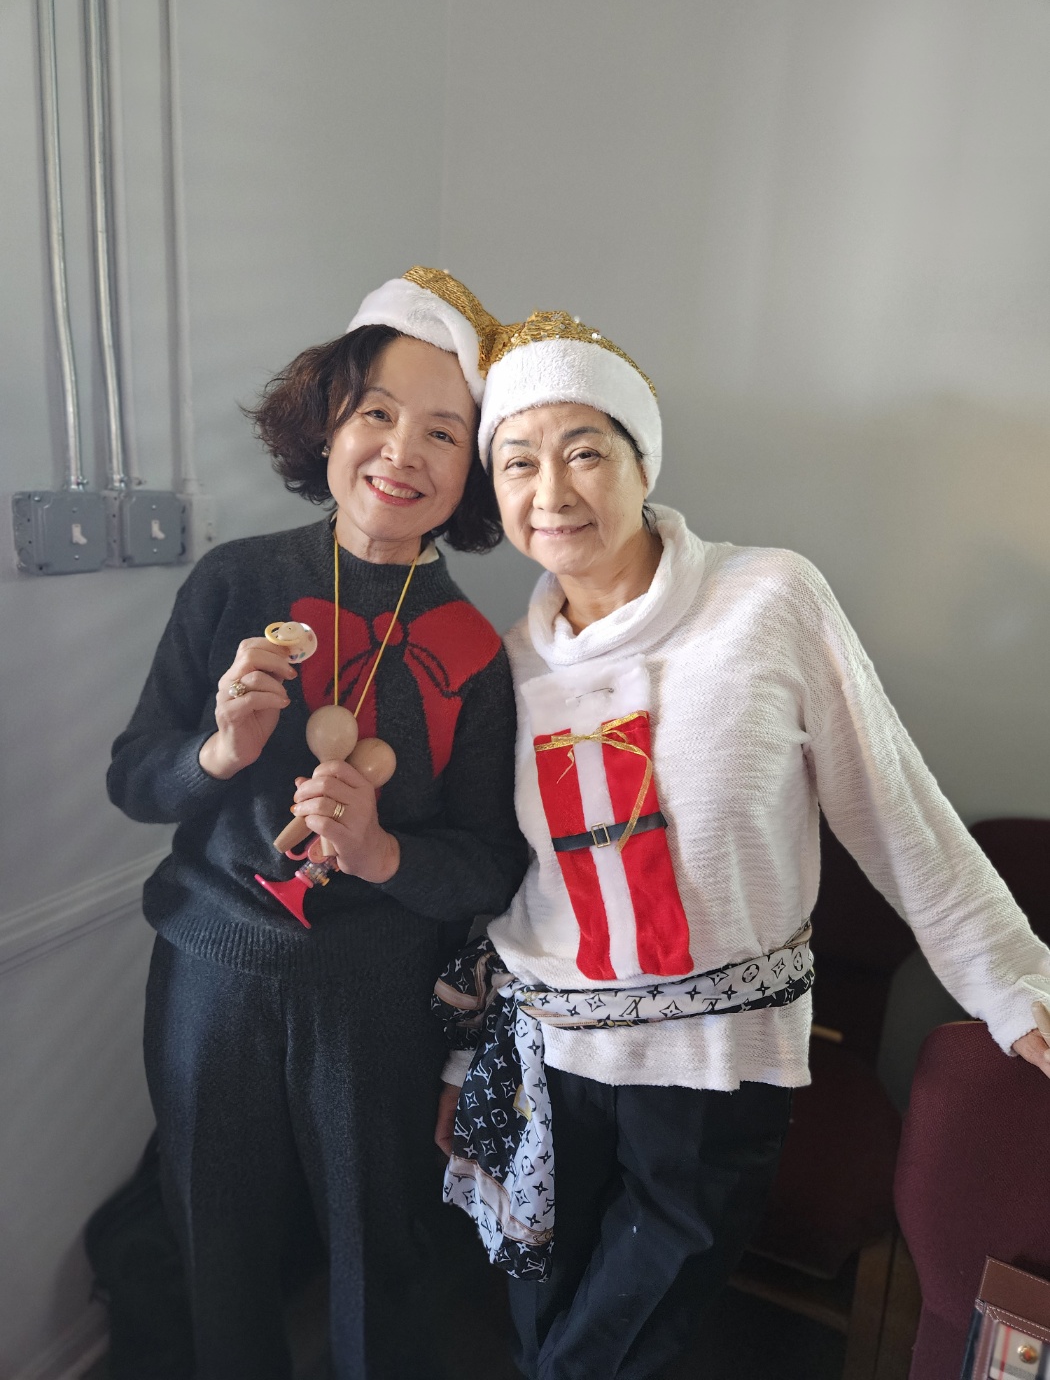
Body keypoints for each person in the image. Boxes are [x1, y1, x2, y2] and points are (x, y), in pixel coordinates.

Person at [433, 308, 1050, 1380]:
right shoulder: (508, 667)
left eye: (585, 450)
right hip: (550, 1055)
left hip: (713, 1061)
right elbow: (503, 884)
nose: (552, 490)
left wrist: (1013, 983)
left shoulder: (767, 600)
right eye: (518, 461)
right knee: (542, 1323)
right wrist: (458, 1057)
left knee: (611, 1344)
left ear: (642, 460)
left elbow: (896, 809)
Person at [107, 268, 528, 1380]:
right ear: (328, 422)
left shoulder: (477, 651)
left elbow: (492, 866)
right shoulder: (235, 583)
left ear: (476, 470)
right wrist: (217, 753)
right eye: (377, 413)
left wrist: (384, 854)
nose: (402, 451)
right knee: (216, 1249)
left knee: (381, 1258)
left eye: (445, 432)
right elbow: (134, 778)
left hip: (376, 1001)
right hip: (211, 977)